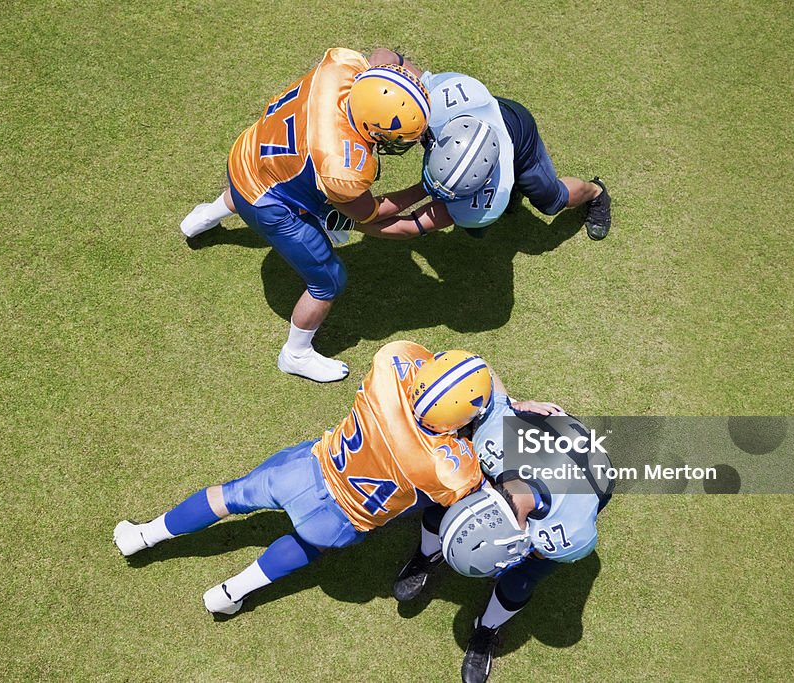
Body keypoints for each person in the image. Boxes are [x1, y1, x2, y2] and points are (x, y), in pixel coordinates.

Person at [113, 341, 494, 616]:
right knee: (306, 544)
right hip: (345, 517)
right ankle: (228, 594)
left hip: (308, 469)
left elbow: (425, 362)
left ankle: (143, 536)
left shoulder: (392, 362)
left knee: (229, 496)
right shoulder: (448, 466)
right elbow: (469, 479)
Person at [179, 48, 431, 383]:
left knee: (271, 174)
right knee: (328, 279)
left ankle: (207, 215)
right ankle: (295, 354)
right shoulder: (344, 164)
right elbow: (368, 213)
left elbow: (388, 55)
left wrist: (420, 90)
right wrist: (424, 188)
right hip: (268, 203)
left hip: (249, 153)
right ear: (373, 125)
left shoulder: (344, 70)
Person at [393, 392, 613, 683]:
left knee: (520, 580)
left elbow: (549, 551)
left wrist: (529, 554)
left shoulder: (568, 534)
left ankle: (486, 629)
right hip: (539, 446)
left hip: (589, 476)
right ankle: (428, 555)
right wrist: (509, 404)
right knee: (443, 505)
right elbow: (479, 375)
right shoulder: (492, 440)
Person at [353, 70, 612, 242]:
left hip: (518, 134)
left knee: (551, 200)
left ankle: (596, 192)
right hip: (486, 116)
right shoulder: (437, 106)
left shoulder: (487, 203)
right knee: (474, 229)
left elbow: (411, 225)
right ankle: (515, 192)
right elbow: (390, 61)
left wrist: (350, 223)